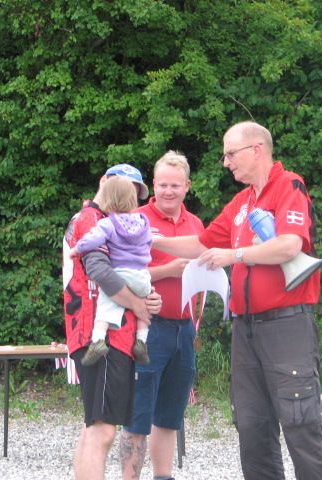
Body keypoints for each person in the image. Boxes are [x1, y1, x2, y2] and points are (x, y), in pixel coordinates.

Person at [151, 122, 322, 480]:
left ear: (256, 150)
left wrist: (234, 255)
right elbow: (202, 243)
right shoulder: (241, 202)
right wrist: (151, 240)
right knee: (251, 425)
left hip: (287, 325)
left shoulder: (289, 186)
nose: (226, 162)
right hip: (246, 329)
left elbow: (289, 246)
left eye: (230, 154)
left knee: (300, 423)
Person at [63, 163, 163, 480]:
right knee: (103, 431)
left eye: (133, 193)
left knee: (94, 426)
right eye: (123, 188)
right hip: (102, 337)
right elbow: (99, 270)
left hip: (108, 333)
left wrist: (148, 299)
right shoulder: (92, 219)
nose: (127, 198)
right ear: (103, 182)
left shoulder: (109, 223)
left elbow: (130, 272)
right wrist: (139, 305)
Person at [119, 151, 205, 480]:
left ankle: (163, 476)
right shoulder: (135, 219)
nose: (169, 192)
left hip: (184, 328)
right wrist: (168, 270)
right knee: (138, 414)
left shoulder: (196, 225)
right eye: (163, 185)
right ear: (153, 184)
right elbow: (119, 274)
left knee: (169, 416)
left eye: (175, 185)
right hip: (147, 328)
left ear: (187, 186)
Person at [69, 175, 153, 366]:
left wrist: (77, 249)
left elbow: (93, 244)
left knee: (106, 307)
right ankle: (142, 340)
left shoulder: (107, 223)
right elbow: (149, 245)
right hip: (142, 276)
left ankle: (98, 339)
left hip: (121, 273)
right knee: (144, 308)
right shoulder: (143, 222)